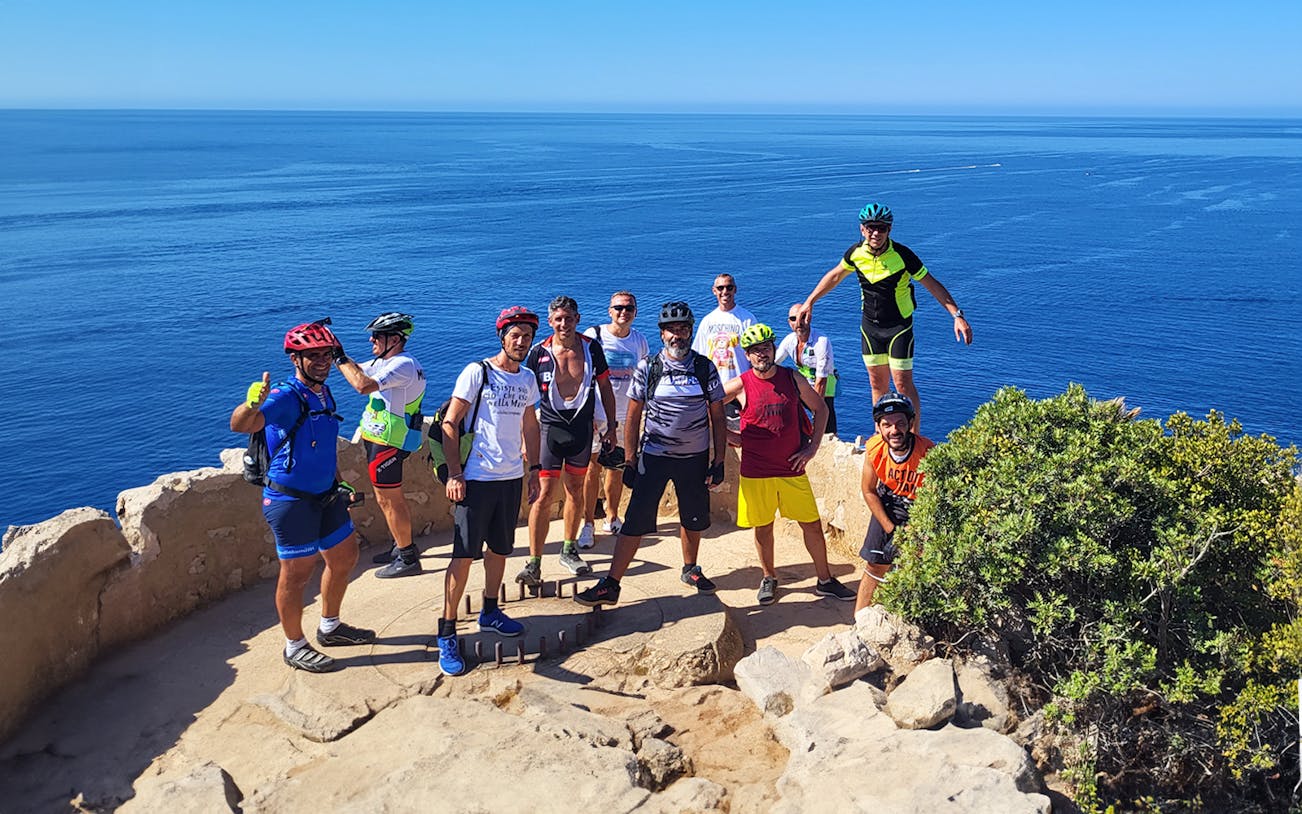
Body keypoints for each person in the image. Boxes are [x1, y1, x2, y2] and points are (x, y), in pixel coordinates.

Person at [229, 320, 374, 673]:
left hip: (326, 494)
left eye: (326, 354)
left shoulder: (323, 392)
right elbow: (241, 425)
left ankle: (330, 627)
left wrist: (338, 482)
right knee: (296, 575)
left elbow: (322, 444)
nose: (322, 360)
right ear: (296, 359)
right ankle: (294, 646)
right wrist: (252, 403)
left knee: (345, 558)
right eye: (313, 355)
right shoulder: (285, 395)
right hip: (291, 501)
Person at [574, 301, 727, 608]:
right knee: (635, 522)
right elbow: (633, 416)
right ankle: (612, 584)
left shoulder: (703, 366)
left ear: (691, 331)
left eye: (683, 329)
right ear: (662, 334)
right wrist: (630, 460)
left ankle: (690, 569)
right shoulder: (649, 367)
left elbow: (718, 416)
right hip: (654, 456)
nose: (678, 335)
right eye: (672, 330)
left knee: (693, 518)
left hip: (694, 457)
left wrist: (719, 461)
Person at [794, 203, 972, 432]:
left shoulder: (903, 255)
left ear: (890, 229)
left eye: (882, 228)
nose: (876, 233)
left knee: (902, 385)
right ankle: (881, 435)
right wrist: (810, 302)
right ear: (862, 229)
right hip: (870, 329)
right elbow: (835, 275)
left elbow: (932, 284)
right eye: (871, 227)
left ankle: (914, 437)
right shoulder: (856, 254)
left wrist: (956, 315)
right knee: (877, 385)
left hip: (899, 327)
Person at [436, 306, 543, 677]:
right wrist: (454, 474)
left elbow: (530, 423)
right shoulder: (477, 372)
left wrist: (534, 470)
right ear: (502, 337)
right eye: (515, 335)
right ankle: (447, 631)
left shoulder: (527, 379)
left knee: (499, 550)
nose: (521, 342)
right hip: (476, 478)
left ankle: (490, 610)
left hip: (511, 477)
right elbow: (450, 423)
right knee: (464, 555)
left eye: (527, 337)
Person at [723, 324, 857, 605]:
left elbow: (820, 408)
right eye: (756, 350)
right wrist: (727, 435)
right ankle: (769, 578)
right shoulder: (740, 384)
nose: (762, 353)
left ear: (773, 349)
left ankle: (825, 579)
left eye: (766, 347)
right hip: (756, 471)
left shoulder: (792, 378)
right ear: (747, 355)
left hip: (791, 468)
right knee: (763, 527)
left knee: (810, 525)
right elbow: (704, 406)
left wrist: (812, 448)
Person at [516, 296, 617, 587]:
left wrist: (611, 426)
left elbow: (605, 387)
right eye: (558, 319)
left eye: (569, 318)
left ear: (577, 319)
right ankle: (534, 562)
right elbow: (525, 399)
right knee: (542, 494)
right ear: (551, 322)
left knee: (575, 490)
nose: (564, 324)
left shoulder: (590, 348)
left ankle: (569, 549)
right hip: (550, 430)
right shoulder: (539, 353)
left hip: (581, 430)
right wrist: (525, 438)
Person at [334, 312, 427, 578]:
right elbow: (359, 370)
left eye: (378, 336)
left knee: (390, 499)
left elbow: (361, 385)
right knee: (385, 497)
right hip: (381, 438)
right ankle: (400, 546)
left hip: (389, 440)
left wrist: (339, 357)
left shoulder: (403, 365)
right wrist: (336, 353)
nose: (372, 340)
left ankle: (408, 557)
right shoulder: (389, 361)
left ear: (395, 339)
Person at [580, 291, 650, 545]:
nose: (624, 312)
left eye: (629, 308)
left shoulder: (639, 341)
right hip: (597, 414)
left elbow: (644, 378)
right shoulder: (594, 336)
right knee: (591, 467)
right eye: (618, 308)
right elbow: (581, 373)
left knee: (616, 468)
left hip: (626, 415)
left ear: (635, 312)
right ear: (610, 311)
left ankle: (612, 516)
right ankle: (587, 523)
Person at [857, 392, 934, 611]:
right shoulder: (874, 449)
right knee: (874, 565)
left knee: (914, 568)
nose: (894, 430)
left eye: (900, 423)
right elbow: (869, 490)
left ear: (910, 423)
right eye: (886, 424)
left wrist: (910, 532)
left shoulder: (927, 452)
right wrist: (890, 529)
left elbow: (932, 501)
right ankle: (859, 621)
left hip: (918, 511)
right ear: (879, 427)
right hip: (889, 505)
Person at [692, 273, 756, 433]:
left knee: (744, 434)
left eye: (729, 287)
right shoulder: (708, 321)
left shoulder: (747, 319)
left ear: (735, 290)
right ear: (714, 291)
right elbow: (698, 357)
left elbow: (757, 357)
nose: (725, 291)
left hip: (741, 389)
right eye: (720, 288)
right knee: (717, 435)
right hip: (714, 390)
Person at [775, 302, 839, 437]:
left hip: (824, 382)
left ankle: (829, 440)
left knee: (825, 416)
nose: (799, 322)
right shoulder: (789, 340)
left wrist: (817, 412)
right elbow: (774, 362)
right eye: (794, 319)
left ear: (809, 318)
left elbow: (821, 380)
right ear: (789, 322)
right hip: (805, 382)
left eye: (803, 317)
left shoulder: (821, 341)